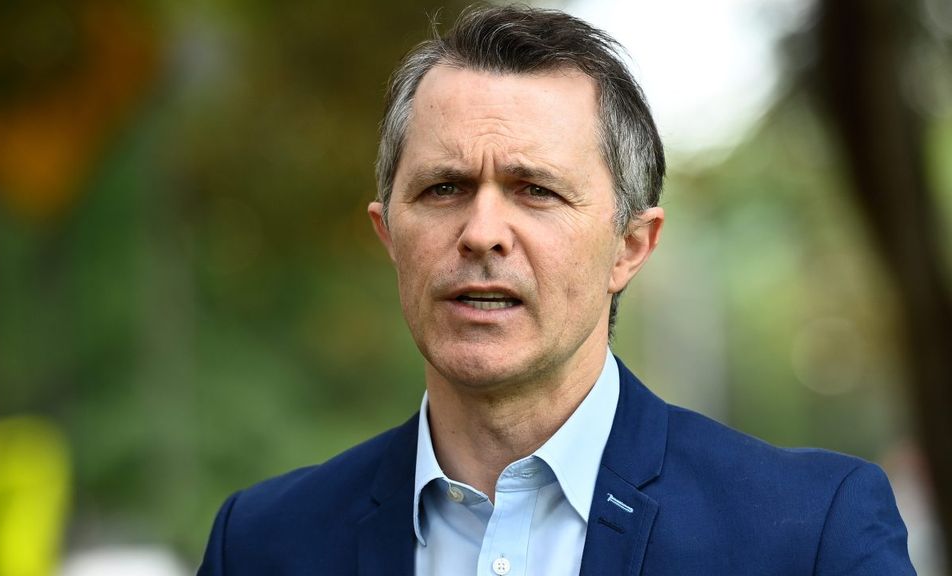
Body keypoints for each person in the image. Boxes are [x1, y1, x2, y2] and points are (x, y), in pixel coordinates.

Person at [198, 5, 915, 575]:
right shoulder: (262, 545)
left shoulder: (809, 536)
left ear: (630, 247)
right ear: (389, 235)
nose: (482, 233)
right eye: (444, 188)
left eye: (535, 190)